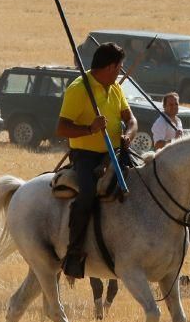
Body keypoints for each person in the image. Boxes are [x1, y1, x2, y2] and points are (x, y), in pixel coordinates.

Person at [56, 42, 137, 279]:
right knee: (88, 194)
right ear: (111, 66)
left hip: (116, 152)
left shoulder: (114, 88)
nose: (121, 71)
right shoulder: (79, 89)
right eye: (120, 67)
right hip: (87, 157)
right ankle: (74, 252)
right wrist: (90, 128)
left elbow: (131, 120)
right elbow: (61, 128)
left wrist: (128, 135)